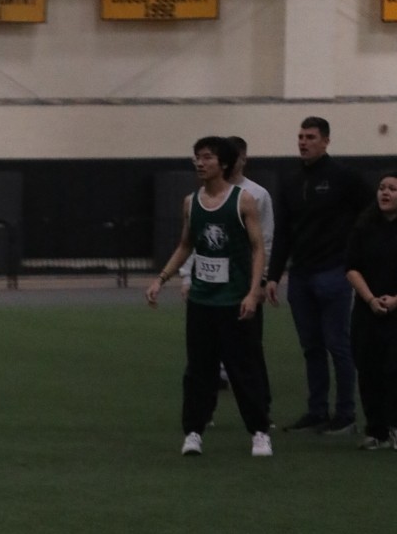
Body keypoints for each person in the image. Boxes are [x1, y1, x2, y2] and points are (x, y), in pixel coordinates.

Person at [146, 136, 271, 457]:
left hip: (234, 300)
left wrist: (253, 292)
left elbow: (258, 249)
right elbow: (186, 245)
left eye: (207, 157)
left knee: (243, 369)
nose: (200, 163)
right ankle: (193, 432)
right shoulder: (191, 202)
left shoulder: (244, 201)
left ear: (223, 163)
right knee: (199, 370)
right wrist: (162, 278)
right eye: (197, 158)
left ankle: (259, 432)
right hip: (202, 301)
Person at [267, 117, 372, 434]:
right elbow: (283, 232)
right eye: (300, 136)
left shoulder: (344, 177)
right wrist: (273, 275)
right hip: (300, 275)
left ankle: (346, 414)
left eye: (310, 137)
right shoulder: (290, 180)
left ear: (325, 141)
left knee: (338, 345)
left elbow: (371, 214)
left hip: (334, 272)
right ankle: (317, 411)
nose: (303, 142)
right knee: (311, 346)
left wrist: (355, 257)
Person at [345, 171, 397, 449]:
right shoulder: (364, 226)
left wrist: (395, 300)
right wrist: (370, 299)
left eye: (392, 189)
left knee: (393, 369)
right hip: (368, 310)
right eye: (382, 188)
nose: (385, 193)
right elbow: (351, 267)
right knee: (368, 369)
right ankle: (376, 431)